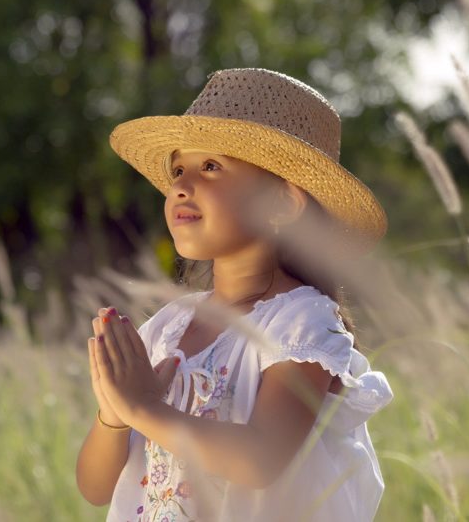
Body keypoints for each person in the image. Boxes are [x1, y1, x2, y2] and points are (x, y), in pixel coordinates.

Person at [75, 68, 394, 522]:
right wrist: (114, 415)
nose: (182, 185)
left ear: (282, 205)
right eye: (178, 169)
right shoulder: (168, 326)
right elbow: (94, 487)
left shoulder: (300, 323)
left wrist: (141, 407)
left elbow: (261, 459)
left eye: (211, 167)